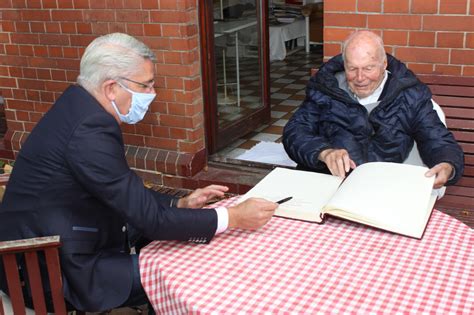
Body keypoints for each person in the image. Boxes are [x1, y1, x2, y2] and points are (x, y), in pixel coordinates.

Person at [0, 33, 278, 312]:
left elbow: (123, 190)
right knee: (179, 270)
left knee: (174, 244)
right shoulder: (89, 130)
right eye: (145, 85)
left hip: (67, 235)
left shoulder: (79, 104)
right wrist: (233, 217)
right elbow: (150, 220)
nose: (152, 94)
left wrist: (178, 202)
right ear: (111, 87)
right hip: (49, 269)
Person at [283, 30, 464, 188]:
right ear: (344, 64)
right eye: (352, 69)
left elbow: (436, 137)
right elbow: (295, 132)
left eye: (368, 68)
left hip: (383, 188)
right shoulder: (325, 89)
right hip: (328, 183)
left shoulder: (410, 95)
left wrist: (447, 163)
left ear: (384, 64)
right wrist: (324, 152)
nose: (360, 77)